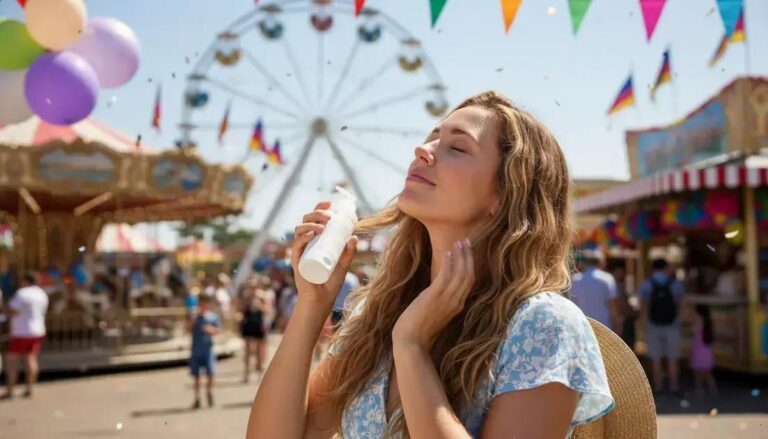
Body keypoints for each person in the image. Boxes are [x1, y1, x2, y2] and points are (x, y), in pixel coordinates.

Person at [247, 91, 614, 438]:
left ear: (505, 196)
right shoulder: (378, 316)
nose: (422, 149)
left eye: (457, 146)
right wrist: (311, 307)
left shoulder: (542, 325)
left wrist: (411, 346)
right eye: (432, 137)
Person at [640, 258, 686, 395]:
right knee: (673, 356)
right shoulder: (676, 284)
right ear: (666, 267)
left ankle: (658, 386)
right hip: (672, 324)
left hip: (653, 324)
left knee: (656, 357)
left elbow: (644, 305)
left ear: (653, 268)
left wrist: (643, 322)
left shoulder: (646, 284)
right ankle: (674, 386)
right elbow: (681, 304)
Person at [1, 273, 49, 400]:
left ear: (25, 280)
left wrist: (2, 308)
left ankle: (10, 390)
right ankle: (29, 388)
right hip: (37, 330)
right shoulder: (41, 293)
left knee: (11, 361)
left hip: (21, 331)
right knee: (31, 359)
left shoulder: (22, 293)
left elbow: (13, 311)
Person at [569, 249, 621, 333]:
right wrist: (617, 323)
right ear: (600, 262)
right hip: (604, 325)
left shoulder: (575, 279)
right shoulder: (607, 278)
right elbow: (612, 306)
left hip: (582, 323)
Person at [188, 294, 220, 409]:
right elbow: (188, 329)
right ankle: (197, 398)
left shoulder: (212, 317)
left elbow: (217, 330)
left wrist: (209, 329)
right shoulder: (194, 317)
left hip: (208, 349)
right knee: (196, 375)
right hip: (196, 349)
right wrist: (193, 321)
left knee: (210, 373)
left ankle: (209, 393)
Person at [239, 281, 272, 382]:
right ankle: (247, 373)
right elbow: (240, 310)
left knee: (260, 349)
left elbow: (268, 310)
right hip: (249, 324)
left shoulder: (262, 297)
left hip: (259, 324)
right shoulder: (246, 297)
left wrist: (260, 305)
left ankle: (259, 373)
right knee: (248, 349)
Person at [690, 305, 717, 396]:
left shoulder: (699, 321)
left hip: (699, 349)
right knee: (707, 371)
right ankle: (712, 387)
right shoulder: (708, 321)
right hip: (707, 349)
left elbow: (694, 330)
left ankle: (699, 388)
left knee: (698, 371)